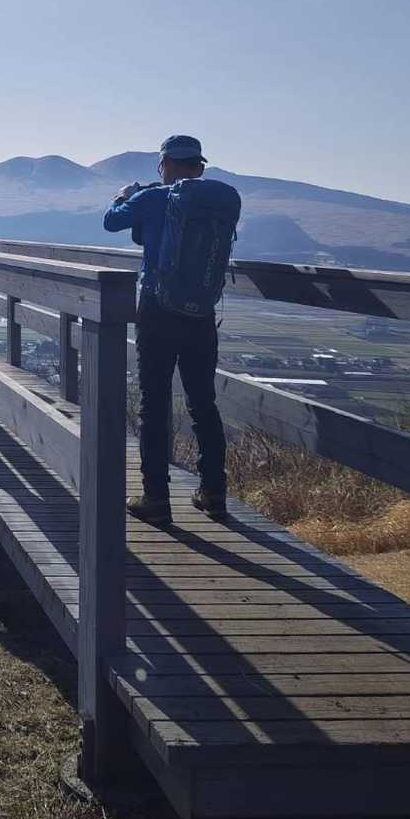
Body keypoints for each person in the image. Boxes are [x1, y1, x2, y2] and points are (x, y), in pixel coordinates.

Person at [103, 135, 237, 526]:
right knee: (203, 402)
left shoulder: (151, 198)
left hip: (158, 309)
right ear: (199, 166)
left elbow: (111, 221)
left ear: (164, 164)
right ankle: (214, 494)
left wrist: (123, 196)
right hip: (202, 311)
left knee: (154, 400)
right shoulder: (217, 200)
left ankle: (156, 499)